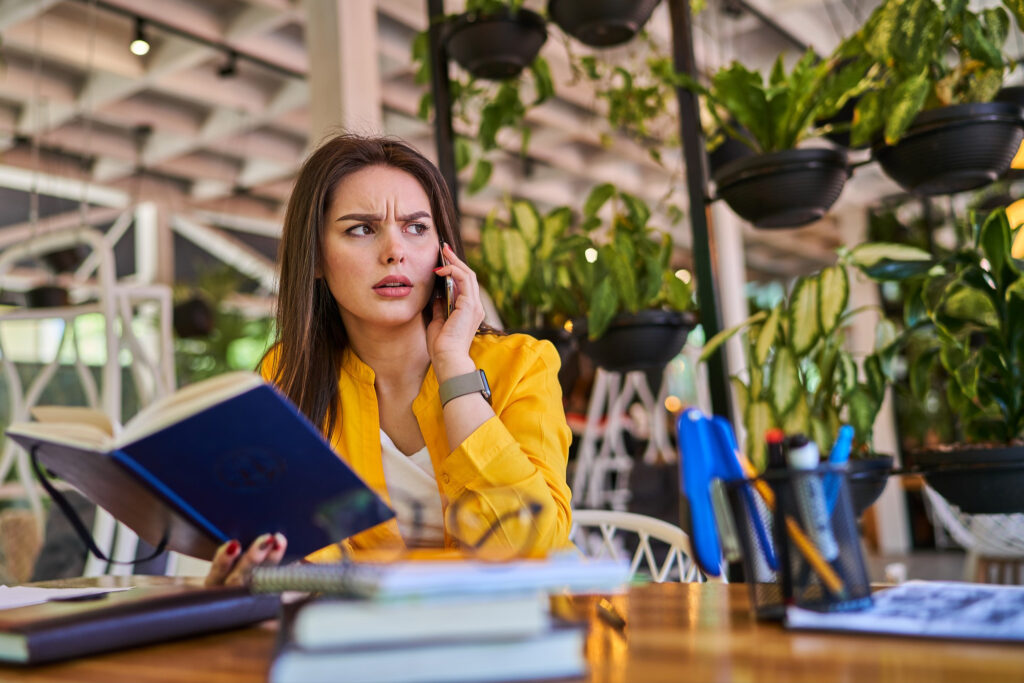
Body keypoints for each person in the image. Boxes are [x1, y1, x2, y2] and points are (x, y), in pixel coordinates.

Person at [206, 134, 573, 586]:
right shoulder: (289, 376)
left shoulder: (523, 364)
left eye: (417, 227)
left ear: (445, 253)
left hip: (518, 630)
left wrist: (455, 367)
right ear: (316, 257)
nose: (394, 251)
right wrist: (262, 568)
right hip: (358, 637)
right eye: (361, 228)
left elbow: (537, 542)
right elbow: (308, 551)